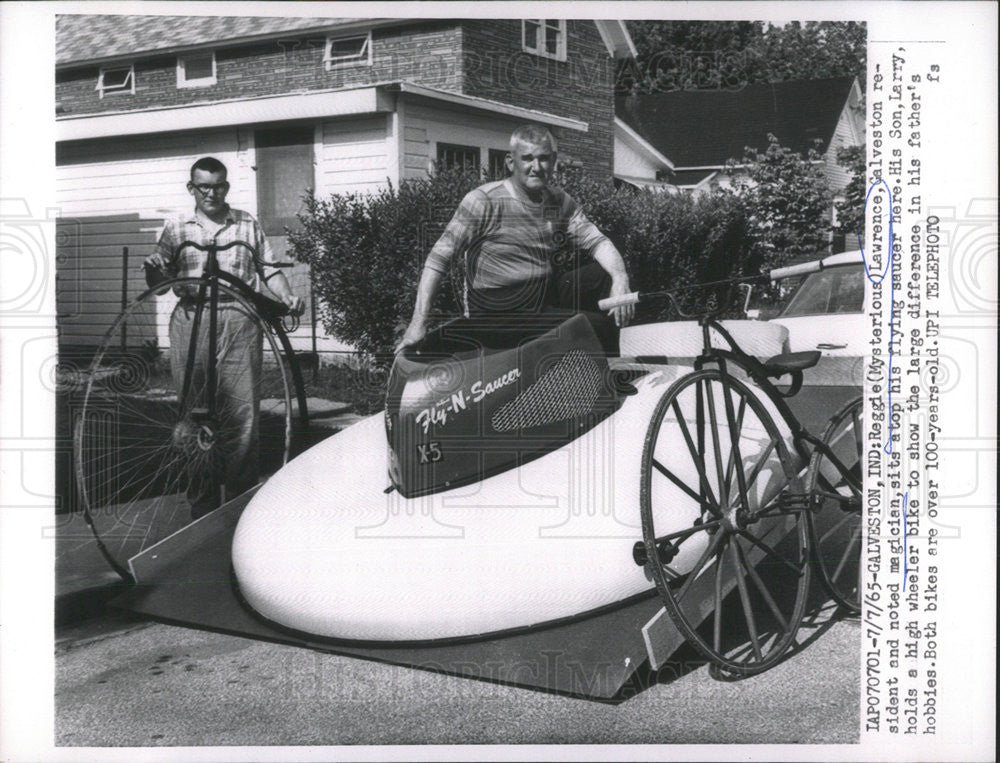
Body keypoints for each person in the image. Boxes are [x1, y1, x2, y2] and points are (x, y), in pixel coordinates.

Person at [145, 156, 304, 518]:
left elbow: (268, 270)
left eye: (218, 186)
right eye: (204, 186)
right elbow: (158, 286)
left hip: (239, 318)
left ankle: (238, 505)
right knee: (193, 414)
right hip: (191, 319)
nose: (211, 193)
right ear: (192, 189)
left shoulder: (246, 223)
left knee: (241, 415)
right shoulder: (175, 228)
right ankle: (200, 506)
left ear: (226, 187)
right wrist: (153, 269)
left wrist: (287, 295)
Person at [395, 124, 634, 355]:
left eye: (543, 158)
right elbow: (439, 260)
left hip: (541, 295)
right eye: (527, 158)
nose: (536, 167)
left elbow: (597, 241)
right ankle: (603, 387)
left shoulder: (558, 201)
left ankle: (594, 365)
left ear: (553, 161)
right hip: (497, 310)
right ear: (511, 162)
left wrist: (620, 278)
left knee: (603, 276)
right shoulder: (483, 201)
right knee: (593, 326)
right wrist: (418, 323)